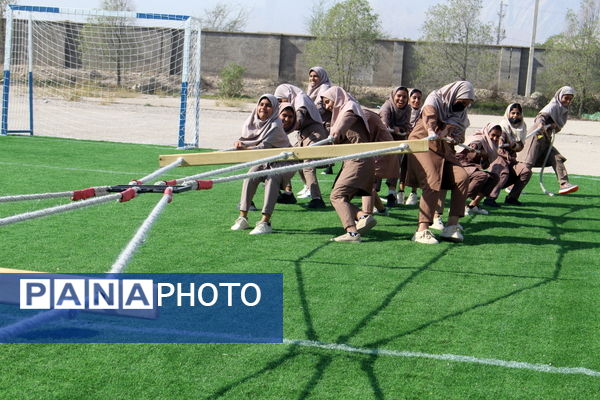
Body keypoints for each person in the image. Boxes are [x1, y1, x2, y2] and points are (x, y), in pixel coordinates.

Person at [406, 81, 472, 244]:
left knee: (462, 177)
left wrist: (451, 134)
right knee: (432, 178)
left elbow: (456, 130)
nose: (463, 106)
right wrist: (432, 130)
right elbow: (429, 116)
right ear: (455, 95)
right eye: (462, 102)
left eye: (467, 104)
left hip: (443, 147)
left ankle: (451, 227)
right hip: (422, 142)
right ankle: (422, 230)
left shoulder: (460, 114)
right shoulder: (435, 98)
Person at [230, 94, 294, 235]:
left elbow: (262, 147)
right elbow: (247, 140)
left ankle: (265, 222)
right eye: (262, 104)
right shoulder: (250, 121)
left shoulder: (275, 125)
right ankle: (243, 218)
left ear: (274, 109)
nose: (263, 108)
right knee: (251, 175)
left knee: (272, 178)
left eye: (268, 105)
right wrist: (239, 143)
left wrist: (244, 148)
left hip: (283, 161)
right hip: (265, 159)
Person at [321, 86, 376, 243]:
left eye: (328, 101)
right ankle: (363, 216)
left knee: (337, 196)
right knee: (339, 197)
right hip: (358, 161)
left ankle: (352, 233)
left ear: (337, 98)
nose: (327, 106)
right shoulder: (346, 110)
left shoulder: (349, 108)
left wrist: (337, 130)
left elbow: (347, 119)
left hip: (358, 161)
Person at [517, 86, 579, 195]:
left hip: (546, 139)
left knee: (557, 158)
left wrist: (553, 126)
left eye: (570, 99)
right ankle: (514, 186)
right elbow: (541, 117)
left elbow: (558, 126)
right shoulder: (553, 106)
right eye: (566, 98)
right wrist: (541, 124)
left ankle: (564, 184)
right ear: (560, 96)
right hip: (536, 137)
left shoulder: (563, 110)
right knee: (528, 163)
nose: (568, 101)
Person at [277, 99, 328, 209]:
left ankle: (317, 199)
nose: (281, 102)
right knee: (290, 158)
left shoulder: (301, 101)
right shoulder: (294, 103)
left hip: (314, 135)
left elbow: (298, 120)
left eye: (281, 99)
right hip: (304, 135)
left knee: (307, 165)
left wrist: (281, 131)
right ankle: (288, 193)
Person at [484, 103, 532, 207]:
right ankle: (490, 198)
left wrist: (513, 145)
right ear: (508, 113)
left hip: (511, 158)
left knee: (526, 171)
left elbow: (520, 147)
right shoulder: (502, 126)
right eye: (513, 113)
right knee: (503, 171)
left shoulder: (522, 127)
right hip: (499, 157)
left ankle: (512, 198)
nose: (515, 116)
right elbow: (498, 145)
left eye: (518, 113)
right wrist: (505, 143)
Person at [456, 123, 501, 215]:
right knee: (482, 175)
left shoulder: (491, 145)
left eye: (498, 136)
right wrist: (474, 147)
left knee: (494, 177)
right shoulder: (479, 138)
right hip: (460, 165)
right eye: (493, 135)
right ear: (487, 132)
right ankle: (457, 205)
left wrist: (484, 156)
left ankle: (473, 205)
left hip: (472, 168)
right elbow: (474, 144)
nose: (495, 138)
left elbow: (484, 166)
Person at [379, 86, 411, 207]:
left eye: (404, 96)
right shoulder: (386, 107)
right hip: (383, 140)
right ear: (393, 96)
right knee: (379, 166)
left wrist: (401, 130)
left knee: (395, 165)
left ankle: (392, 194)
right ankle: (373, 195)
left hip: (399, 141)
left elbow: (407, 126)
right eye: (399, 96)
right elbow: (383, 127)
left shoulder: (407, 108)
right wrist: (394, 129)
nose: (401, 99)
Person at [306, 66, 335, 175]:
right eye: (311, 76)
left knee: (322, 145)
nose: (312, 79)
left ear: (321, 77)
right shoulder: (311, 87)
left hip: (324, 122)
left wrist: (307, 113)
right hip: (316, 122)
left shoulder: (324, 87)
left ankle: (326, 167)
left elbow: (321, 107)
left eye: (316, 76)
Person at [401, 88, 423, 206]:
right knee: (402, 167)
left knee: (414, 169)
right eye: (414, 98)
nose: (416, 100)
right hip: (403, 143)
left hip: (416, 145)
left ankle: (413, 193)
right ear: (409, 99)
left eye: (419, 98)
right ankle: (400, 192)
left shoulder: (423, 112)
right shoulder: (404, 111)